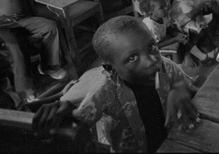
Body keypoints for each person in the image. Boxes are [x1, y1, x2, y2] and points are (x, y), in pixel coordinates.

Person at [32, 15, 200, 153]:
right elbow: (77, 122)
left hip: (169, 142)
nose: (151, 61)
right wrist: (63, 116)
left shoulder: (165, 67)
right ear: (110, 68)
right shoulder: (105, 92)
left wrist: (179, 90)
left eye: (151, 47)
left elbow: (184, 84)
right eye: (132, 58)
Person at [0, 0, 68, 96]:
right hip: (3, 24)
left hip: (24, 19)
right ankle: (26, 89)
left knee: (50, 26)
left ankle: (49, 66)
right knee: (14, 44)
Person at [171, 0, 219, 65]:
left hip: (191, 21)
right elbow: (190, 15)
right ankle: (189, 53)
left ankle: (212, 42)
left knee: (207, 22)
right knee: (201, 31)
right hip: (181, 25)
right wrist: (202, 3)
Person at [140, 0, 188, 64]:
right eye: (161, 7)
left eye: (165, 6)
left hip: (160, 39)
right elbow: (157, 45)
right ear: (152, 13)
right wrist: (176, 39)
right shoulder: (151, 26)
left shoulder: (162, 17)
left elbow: (167, 28)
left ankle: (187, 55)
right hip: (151, 49)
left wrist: (177, 34)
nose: (166, 8)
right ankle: (178, 69)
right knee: (175, 50)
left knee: (181, 36)